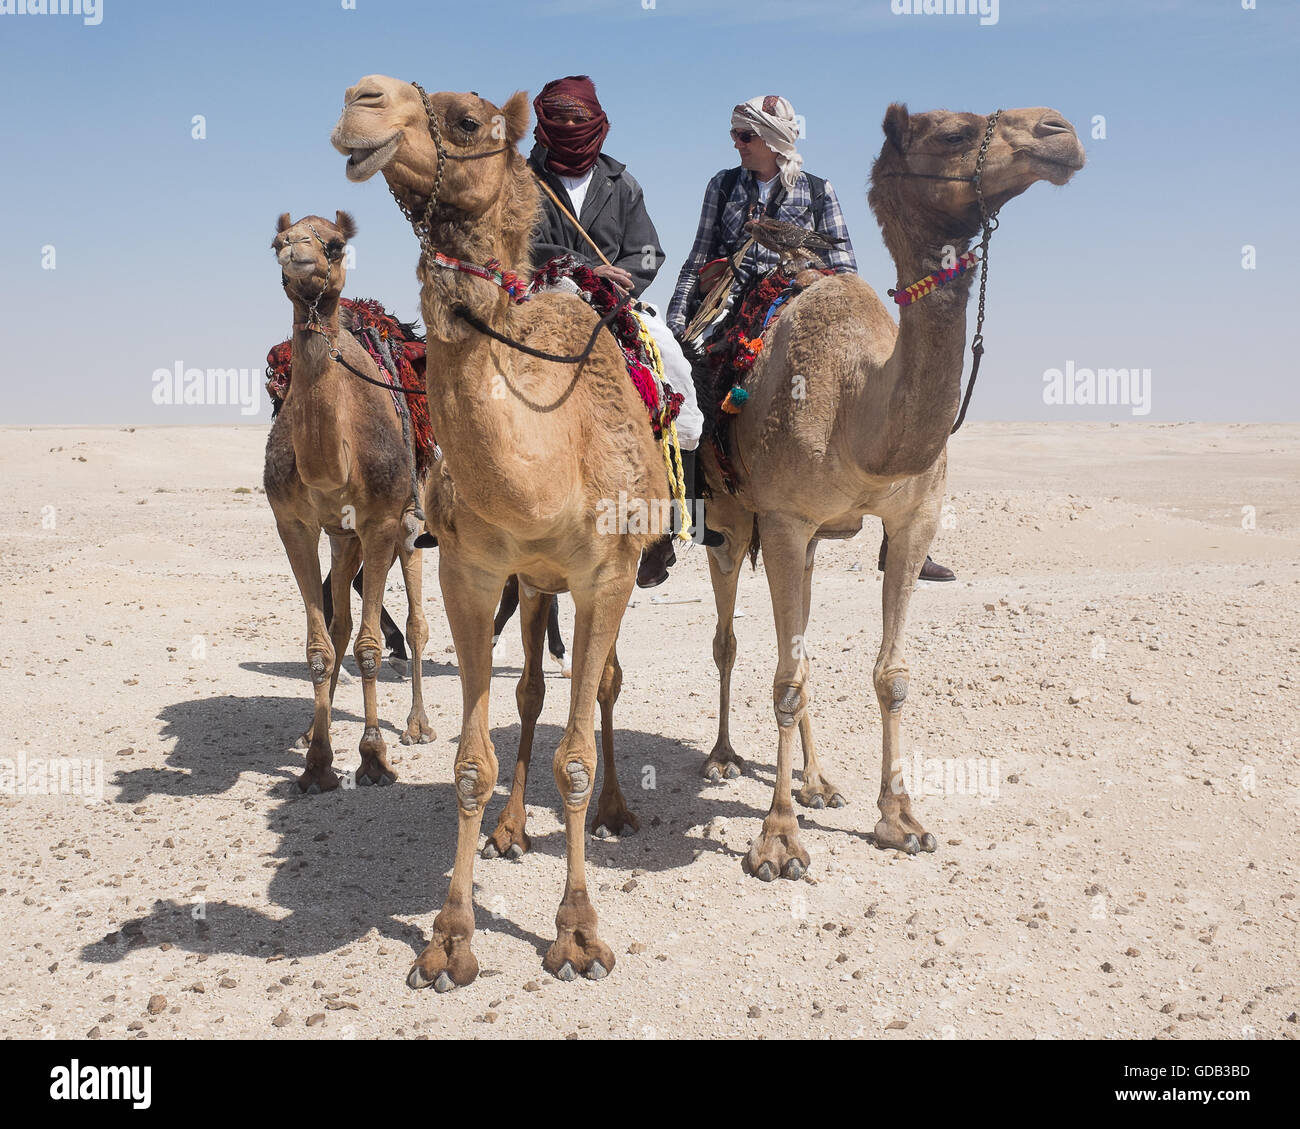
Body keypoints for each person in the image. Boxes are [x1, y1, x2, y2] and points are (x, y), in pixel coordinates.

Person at [665, 94, 955, 583]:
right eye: (735, 135)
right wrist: (677, 324)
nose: (736, 144)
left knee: (889, 382)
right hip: (733, 302)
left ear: (774, 141)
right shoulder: (723, 186)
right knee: (689, 379)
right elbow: (699, 255)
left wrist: (808, 276)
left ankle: (905, 539)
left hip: (804, 299)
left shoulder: (819, 191)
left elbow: (845, 266)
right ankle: (687, 514)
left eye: (744, 136)